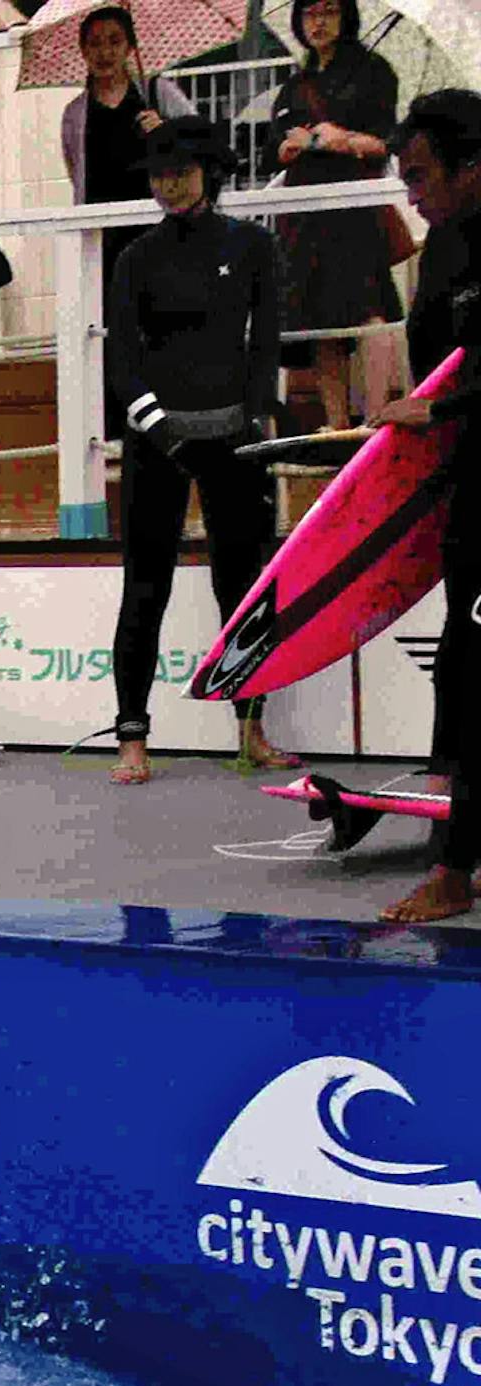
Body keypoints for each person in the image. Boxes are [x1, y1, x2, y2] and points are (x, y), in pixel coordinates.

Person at [107, 116, 296, 784]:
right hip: (159, 442)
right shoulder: (135, 257)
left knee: (243, 589)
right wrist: (164, 431)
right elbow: (121, 364)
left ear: (210, 173)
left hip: (234, 441)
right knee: (144, 587)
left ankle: (252, 729)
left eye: (181, 171)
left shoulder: (252, 246)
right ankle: (132, 738)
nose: (170, 184)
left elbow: (265, 346)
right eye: (159, 173)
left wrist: (251, 424)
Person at [371, 90, 481, 923]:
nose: (409, 192)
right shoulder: (445, 247)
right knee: (467, 661)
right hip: (471, 474)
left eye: (419, 175)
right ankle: (458, 865)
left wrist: (437, 411)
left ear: (471, 168)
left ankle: (456, 869)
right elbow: (441, 354)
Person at [58, 5, 195, 433]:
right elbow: (75, 173)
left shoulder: (158, 93)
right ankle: (117, 429)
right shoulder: (74, 114)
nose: (105, 52)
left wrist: (166, 132)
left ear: (131, 46)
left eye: (115, 41)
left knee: (163, 325)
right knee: (112, 334)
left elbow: (201, 146)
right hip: (105, 242)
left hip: (158, 233)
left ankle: (170, 423)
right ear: (82, 50)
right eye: (95, 43)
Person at [270, 0, 404, 430]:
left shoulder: (373, 71)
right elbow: (276, 148)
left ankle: (377, 418)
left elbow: (386, 142)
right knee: (320, 320)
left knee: (371, 307)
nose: (319, 22)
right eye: (310, 13)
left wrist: (341, 139)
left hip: (355, 210)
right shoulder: (296, 83)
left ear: (346, 15)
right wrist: (292, 147)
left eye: (329, 10)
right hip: (305, 214)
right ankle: (338, 425)